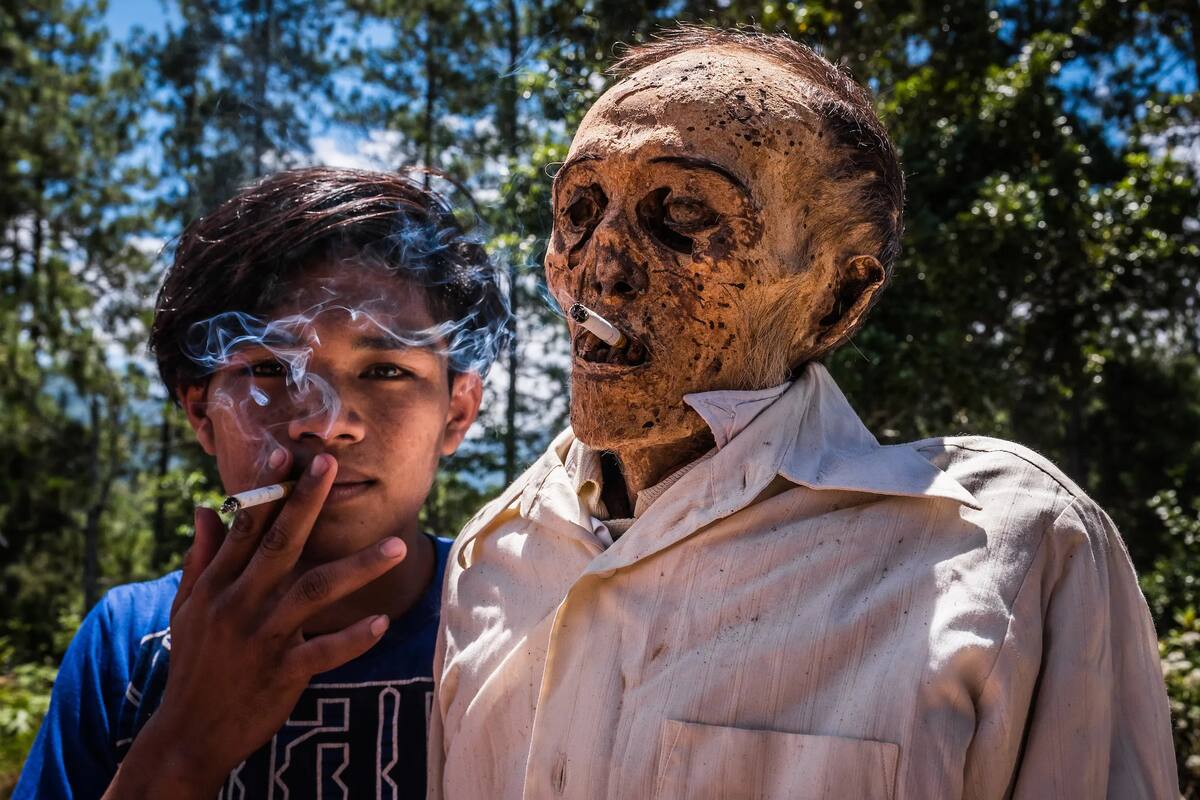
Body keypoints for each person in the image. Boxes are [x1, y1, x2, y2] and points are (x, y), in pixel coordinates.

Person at [429, 27, 1178, 799]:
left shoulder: (1008, 547)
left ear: (837, 299)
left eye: (684, 211)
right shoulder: (493, 556)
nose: (602, 270)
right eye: (580, 208)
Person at [15, 167, 510, 800]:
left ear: (457, 411)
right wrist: (184, 744)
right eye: (270, 369)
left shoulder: (512, 630)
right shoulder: (130, 644)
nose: (326, 423)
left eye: (385, 369)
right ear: (201, 413)